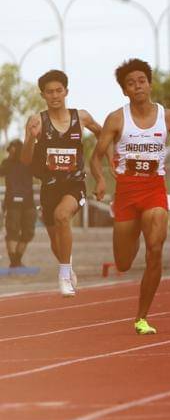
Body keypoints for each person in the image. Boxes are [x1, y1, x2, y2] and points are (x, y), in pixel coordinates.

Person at [89, 59, 170, 334]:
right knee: (124, 263)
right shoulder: (117, 118)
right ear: (125, 91)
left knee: (155, 250)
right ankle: (135, 230)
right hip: (127, 194)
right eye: (131, 83)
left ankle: (142, 317)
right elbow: (96, 156)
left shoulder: (168, 117)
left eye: (142, 80)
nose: (137, 86)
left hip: (154, 190)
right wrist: (102, 178)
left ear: (149, 84)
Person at [20, 70, 103, 296]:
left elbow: (102, 134)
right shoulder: (37, 121)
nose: (55, 95)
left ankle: (64, 275)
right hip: (49, 186)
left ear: (66, 91)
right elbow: (26, 160)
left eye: (59, 90)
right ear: (43, 95)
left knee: (62, 215)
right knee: (56, 243)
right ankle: (68, 263)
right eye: (49, 92)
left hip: (74, 184)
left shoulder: (81, 117)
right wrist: (30, 138)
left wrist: (100, 166)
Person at [2, 141, 36, 272]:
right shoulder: (7, 163)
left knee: (28, 232)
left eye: (12, 148)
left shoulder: (29, 162)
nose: (10, 151)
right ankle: (14, 262)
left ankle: (17, 260)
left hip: (29, 203)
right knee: (12, 232)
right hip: (12, 204)